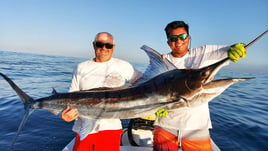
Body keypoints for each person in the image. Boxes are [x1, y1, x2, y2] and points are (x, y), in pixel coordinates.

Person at [153, 21, 246, 151]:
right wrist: (153, 110)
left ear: (189, 38)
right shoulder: (162, 61)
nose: (178, 41)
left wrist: (238, 47)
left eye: (183, 37)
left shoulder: (203, 53)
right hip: (165, 125)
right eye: (173, 38)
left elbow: (229, 50)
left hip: (196, 127)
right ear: (168, 42)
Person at [61, 32, 142, 151]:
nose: (104, 48)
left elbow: (146, 82)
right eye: (100, 44)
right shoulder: (81, 67)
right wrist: (66, 115)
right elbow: (70, 97)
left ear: (113, 47)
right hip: (83, 129)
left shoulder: (123, 66)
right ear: (93, 45)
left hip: (111, 129)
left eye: (108, 45)